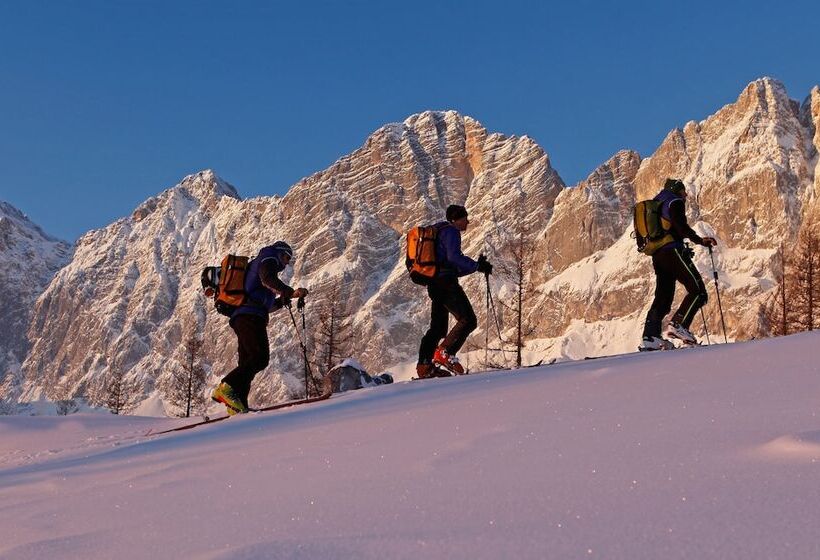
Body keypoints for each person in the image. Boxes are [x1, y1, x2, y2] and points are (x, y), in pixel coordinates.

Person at [211, 241, 308, 414]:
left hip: (244, 316)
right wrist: (287, 290)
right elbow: (267, 279)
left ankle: (237, 405)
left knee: (247, 361)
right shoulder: (269, 258)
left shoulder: (263, 269)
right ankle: (227, 387)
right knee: (260, 358)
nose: (287, 263)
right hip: (250, 317)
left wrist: (287, 297)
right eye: (287, 258)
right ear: (280, 252)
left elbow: (266, 305)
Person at [417, 204, 493, 377]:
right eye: (465, 218)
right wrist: (477, 266)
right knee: (468, 320)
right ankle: (445, 352)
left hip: (434, 283)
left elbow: (450, 266)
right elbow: (454, 258)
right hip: (446, 284)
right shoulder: (451, 231)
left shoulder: (439, 232)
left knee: (437, 328)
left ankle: (424, 366)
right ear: (457, 219)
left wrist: (476, 266)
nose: (468, 221)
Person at [640, 179, 717, 350]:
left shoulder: (658, 202)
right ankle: (679, 324)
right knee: (698, 291)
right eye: (683, 191)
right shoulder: (674, 201)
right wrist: (700, 240)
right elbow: (681, 227)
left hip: (658, 255)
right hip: (673, 251)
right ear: (676, 190)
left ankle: (650, 337)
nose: (686, 195)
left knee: (663, 297)